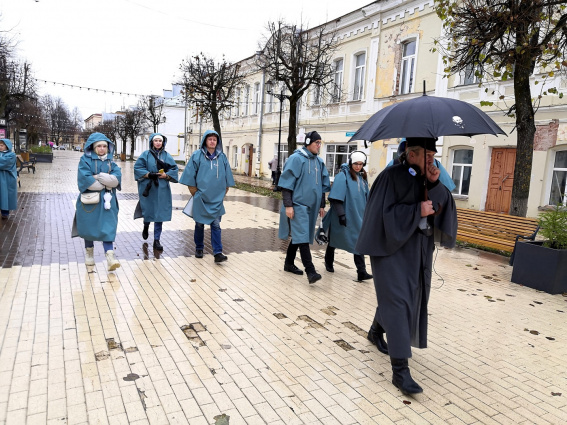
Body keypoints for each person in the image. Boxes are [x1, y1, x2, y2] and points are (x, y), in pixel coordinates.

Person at [356, 137, 457, 395]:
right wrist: (416, 211)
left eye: (434, 156)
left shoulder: (427, 175)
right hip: (389, 249)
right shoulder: (389, 177)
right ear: (412, 155)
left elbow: (445, 205)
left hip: (417, 250)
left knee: (404, 299)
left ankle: (375, 330)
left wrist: (434, 184)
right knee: (399, 303)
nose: (432, 161)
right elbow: (381, 216)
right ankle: (400, 371)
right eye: (428, 156)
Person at [278, 131, 331, 284]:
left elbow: (321, 186)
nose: (319, 145)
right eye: (317, 142)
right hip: (297, 205)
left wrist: (322, 204)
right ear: (308, 142)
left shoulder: (318, 162)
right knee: (302, 237)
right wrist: (288, 205)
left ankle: (288, 263)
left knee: (300, 235)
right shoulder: (296, 159)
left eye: (320, 143)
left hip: (312, 207)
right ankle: (311, 271)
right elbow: (286, 185)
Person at [179, 130, 234, 263]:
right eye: (210, 139)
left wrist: (223, 193)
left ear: (217, 142)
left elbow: (227, 178)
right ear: (205, 141)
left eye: (215, 139)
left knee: (216, 225)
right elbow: (190, 177)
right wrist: (196, 194)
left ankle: (218, 252)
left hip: (216, 199)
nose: (212, 141)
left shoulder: (222, 157)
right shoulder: (197, 156)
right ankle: (199, 248)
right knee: (199, 224)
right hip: (201, 198)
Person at [72, 132, 122, 271]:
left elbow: (117, 178)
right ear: (93, 147)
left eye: (104, 146)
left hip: (107, 202)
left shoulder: (111, 162)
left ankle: (110, 258)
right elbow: (85, 180)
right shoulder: (85, 161)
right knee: (89, 226)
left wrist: (98, 177)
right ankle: (89, 254)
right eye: (99, 146)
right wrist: (106, 181)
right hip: (90, 201)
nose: (102, 149)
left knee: (108, 227)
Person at [322, 151, 372, 282]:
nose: (358, 166)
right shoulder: (342, 176)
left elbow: (367, 197)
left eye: (361, 164)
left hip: (358, 216)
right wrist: (341, 215)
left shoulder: (362, 177)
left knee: (358, 242)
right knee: (334, 240)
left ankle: (361, 271)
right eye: (355, 163)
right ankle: (328, 261)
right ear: (351, 163)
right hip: (343, 215)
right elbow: (336, 199)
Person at [134, 133, 179, 251]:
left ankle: (156, 240)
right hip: (149, 187)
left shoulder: (167, 156)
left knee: (159, 213)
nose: (158, 143)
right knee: (149, 209)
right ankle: (146, 225)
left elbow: (174, 169)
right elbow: (138, 168)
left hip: (162, 188)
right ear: (152, 142)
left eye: (160, 140)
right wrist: (149, 174)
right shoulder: (145, 155)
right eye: (156, 141)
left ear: (163, 142)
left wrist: (166, 175)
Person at [388, 139, 456, 192]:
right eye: (427, 154)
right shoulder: (392, 168)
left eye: (433, 155)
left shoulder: (435, 166)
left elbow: (447, 203)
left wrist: (434, 183)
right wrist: (418, 209)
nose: (431, 160)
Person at [0, 139, 17, 219]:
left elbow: (4, 164)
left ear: (7, 146)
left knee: (5, 195)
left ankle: (5, 212)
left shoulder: (11, 155)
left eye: (2, 145)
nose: (0, 147)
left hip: (7, 179)